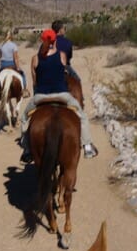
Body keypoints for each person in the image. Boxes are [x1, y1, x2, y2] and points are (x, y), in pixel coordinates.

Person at [19, 29, 98, 163]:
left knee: (24, 118)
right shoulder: (62, 55)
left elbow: (35, 82)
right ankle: (88, 146)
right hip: (62, 95)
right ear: (55, 41)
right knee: (83, 117)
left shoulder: (35, 59)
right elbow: (63, 71)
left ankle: (27, 149)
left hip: (41, 97)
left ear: (42, 41)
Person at [0, 30, 26, 101]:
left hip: (3, 64)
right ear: (11, 36)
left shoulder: (1, 45)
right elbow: (16, 58)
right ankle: (24, 90)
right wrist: (17, 67)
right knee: (23, 75)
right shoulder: (13, 45)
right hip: (12, 64)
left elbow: (0, 55)